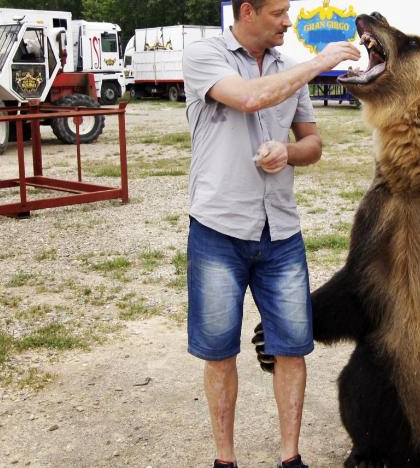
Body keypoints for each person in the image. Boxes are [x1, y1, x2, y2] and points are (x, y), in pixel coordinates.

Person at [181, 1, 360, 467]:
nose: (288, 21)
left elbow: (314, 145)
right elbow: (249, 97)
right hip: (218, 229)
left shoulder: (289, 70)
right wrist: (321, 62)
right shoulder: (205, 55)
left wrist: (288, 151)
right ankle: (225, 459)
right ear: (247, 12)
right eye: (279, 12)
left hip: (280, 232)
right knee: (219, 352)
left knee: (291, 348)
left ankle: (290, 458)